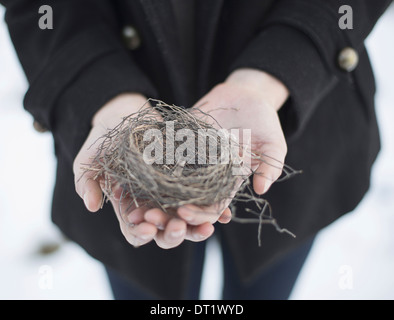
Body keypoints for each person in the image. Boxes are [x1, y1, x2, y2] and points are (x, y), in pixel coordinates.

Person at [1, 0, 391, 300]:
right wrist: (99, 91)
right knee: (151, 284)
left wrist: (275, 71)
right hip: (128, 177)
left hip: (299, 129)